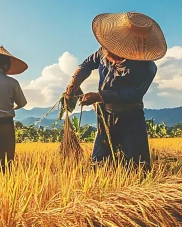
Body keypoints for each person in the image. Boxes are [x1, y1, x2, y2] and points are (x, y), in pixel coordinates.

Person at [64, 12, 167, 170]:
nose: (108, 54)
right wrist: (73, 84)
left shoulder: (146, 67)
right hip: (105, 115)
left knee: (137, 164)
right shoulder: (104, 51)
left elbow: (134, 94)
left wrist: (99, 96)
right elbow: (86, 65)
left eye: (117, 55)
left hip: (130, 117)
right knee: (100, 161)